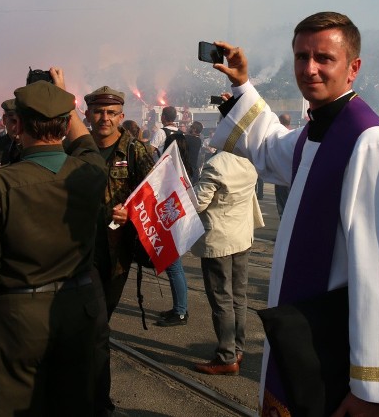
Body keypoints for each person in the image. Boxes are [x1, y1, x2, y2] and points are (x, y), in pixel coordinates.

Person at [210, 12, 379, 414]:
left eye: (324, 58)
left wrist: (373, 391)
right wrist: (242, 84)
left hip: (342, 360)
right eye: (302, 57)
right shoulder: (317, 133)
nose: (310, 68)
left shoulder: (368, 143)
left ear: (353, 68)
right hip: (311, 338)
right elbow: (268, 145)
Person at [0, 72, 108, 416]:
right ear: (64, 124)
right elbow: (86, 144)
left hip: (19, 319)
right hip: (80, 310)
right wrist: (63, 97)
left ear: (16, 124)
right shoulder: (90, 173)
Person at [84, 85, 155, 416]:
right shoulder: (78, 150)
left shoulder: (136, 150)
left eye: (111, 113)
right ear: (88, 114)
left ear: (121, 116)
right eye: (99, 111)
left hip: (116, 253)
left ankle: (94, 395)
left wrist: (130, 210)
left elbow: (154, 194)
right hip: (77, 250)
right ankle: (96, 399)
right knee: (91, 326)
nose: (104, 118)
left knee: (99, 324)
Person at [190, 151, 263, 375]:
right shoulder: (248, 163)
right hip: (242, 237)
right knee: (238, 297)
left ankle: (226, 356)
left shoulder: (216, 164)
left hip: (219, 241)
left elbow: (198, 204)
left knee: (222, 299)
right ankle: (237, 349)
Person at [147, 105, 190, 326]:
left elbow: (149, 150)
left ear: (164, 117)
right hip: (176, 194)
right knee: (174, 261)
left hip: (166, 194)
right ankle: (178, 307)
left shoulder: (161, 133)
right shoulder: (182, 135)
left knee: (173, 262)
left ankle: (181, 311)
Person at [274, 114, 292, 219]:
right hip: (292, 176)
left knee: (282, 206)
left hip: (280, 176)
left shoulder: (279, 136)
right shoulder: (294, 134)